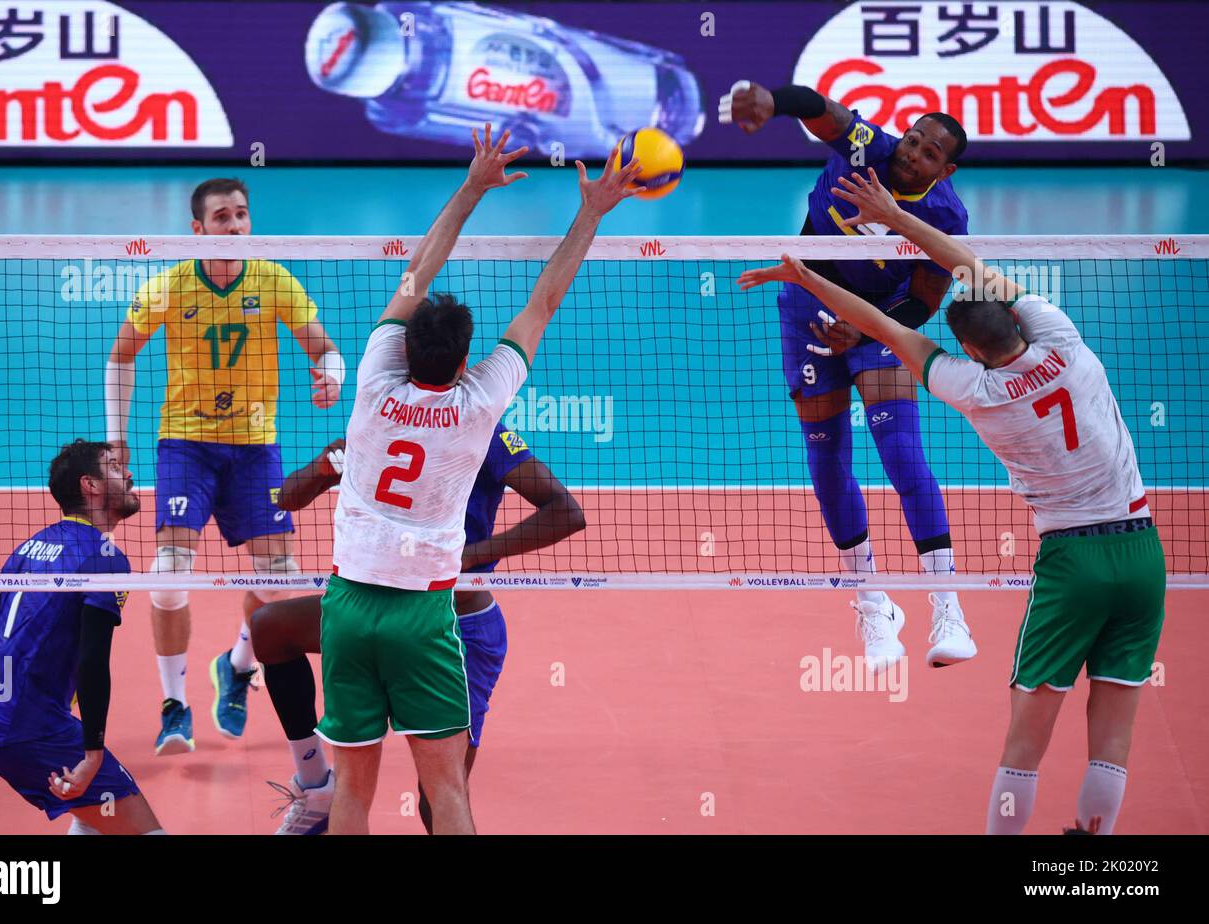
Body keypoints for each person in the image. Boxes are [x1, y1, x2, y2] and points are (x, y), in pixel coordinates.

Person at [738, 167, 1164, 836]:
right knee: (1113, 729)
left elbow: (879, 323)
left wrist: (807, 280)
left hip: (1072, 564)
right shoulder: (1067, 342)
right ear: (1020, 321)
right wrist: (901, 218)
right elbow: (969, 265)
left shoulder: (974, 390)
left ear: (969, 349)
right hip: (1143, 551)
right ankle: (1094, 856)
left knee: (1026, 740)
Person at [319, 122, 638, 834]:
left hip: (344, 605)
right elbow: (543, 302)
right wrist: (590, 211)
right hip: (424, 615)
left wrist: (471, 186)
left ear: (402, 347)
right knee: (448, 795)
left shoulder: (371, 380)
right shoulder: (480, 403)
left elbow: (417, 273)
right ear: (464, 363)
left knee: (351, 797)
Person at [721, 79, 976, 669]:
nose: (912, 155)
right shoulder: (866, 150)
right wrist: (772, 101)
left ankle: (947, 605)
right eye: (912, 140)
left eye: (929, 152)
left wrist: (865, 329)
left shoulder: (945, 217)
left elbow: (924, 300)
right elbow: (820, 109)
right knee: (826, 455)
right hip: (808, 305)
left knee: (900, 450)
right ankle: (873, 603)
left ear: (948, 168)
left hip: (882, 322)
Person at [104, 178, 345, 755]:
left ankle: (236, 665)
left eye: (241, 215)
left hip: (255, 447)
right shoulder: (170, 285)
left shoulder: (273, 279)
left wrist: (332, 374)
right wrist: (118, 440)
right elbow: (120, 355)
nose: (234, 226)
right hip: (185, 443)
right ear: (197, 229)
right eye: (221, 218)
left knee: (279, 581)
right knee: (168, 576)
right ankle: (173, 706)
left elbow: (324, 347)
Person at [253, 424, 585, 834]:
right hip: (374, 610)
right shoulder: (381, 424)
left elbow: (567, 511)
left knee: (436, 800)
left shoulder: (484, 432)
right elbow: (287, 497)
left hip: (458, 625)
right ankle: (316, 786)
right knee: (269, 628)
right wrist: (326, 465)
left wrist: (474, 555)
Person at [0, 440, 165, 834]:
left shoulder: (29, 546)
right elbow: (92, 661)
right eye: (114, 468)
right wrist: (92, 752)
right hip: (29, 729)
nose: (129, 473)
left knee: (93, 816)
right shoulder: (104, 557)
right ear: (90, 486)